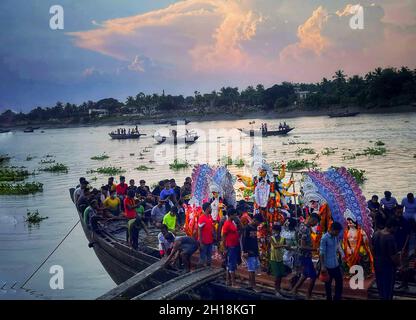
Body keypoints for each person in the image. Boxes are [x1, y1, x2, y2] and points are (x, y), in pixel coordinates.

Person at [290, 213, 319, 300]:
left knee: (305, 274)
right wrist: (315, 249)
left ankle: (294, 289)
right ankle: (308, 295)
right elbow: (302, 246)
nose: (315, 224)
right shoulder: (305, 229)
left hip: (303, 255)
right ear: (311, 219)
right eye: (315, 222)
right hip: (304, 255)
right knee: (313, 276)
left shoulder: (302, 226)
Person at [372, 218, 400, 300]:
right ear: (392, 227)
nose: (396, 230)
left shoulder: (376, 234)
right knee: (388, 289)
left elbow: (371, 248)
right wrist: (399, 264)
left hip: (377, 264)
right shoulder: (390, 238)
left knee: (380, 287)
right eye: (395, 228)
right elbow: (393, 257)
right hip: (387, 267)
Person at [320, 222, 344, 301]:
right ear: (333, 229)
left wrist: (342, 255)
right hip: (328, 265)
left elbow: (338, 246)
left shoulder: (335, 237)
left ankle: (337, 298)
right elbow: (321, 253)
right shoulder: (324, 238)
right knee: (328, 284)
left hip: (335, 264)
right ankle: (329, 298)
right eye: (337, 232)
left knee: (339, 282)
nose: (338, 234)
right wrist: (323, 266)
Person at [242, 214, 263, 291]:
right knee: (251, 269)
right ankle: (253, 286)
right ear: (255, 220)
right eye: (259, 222)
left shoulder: (254, 227)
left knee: (253, 268)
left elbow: (254, 240)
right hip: (249, 251)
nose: (259, 224)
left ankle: (251, 284)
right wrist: (245, 252)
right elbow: (244, 241)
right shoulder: (246, 228)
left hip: (254, 250)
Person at [221, 208, 241, 288]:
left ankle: (228, 280)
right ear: (231, 215)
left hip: (234, 245)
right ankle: (233, 283)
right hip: (230, 246)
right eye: (235, 214)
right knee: (231, 264)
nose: (236, 216)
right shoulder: (227, 224)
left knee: (230, 264)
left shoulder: (231, 222)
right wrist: (224, 248)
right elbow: (223, 236)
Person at [270, 224, 288, 297]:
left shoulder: (283, 239)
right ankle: (276, 290)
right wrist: (284, 246)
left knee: (280, 275)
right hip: (273, 259)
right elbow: (275, 246)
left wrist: (293, 248)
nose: (273, 231)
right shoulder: (271, 238)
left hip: (280, 259)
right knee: (277, 275)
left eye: (274, 230)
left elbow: (287, 247)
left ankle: (279, 289)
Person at [198, 202, 215, 267]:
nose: (211, 208)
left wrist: (214, 235)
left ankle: (208, 268)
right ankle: (199, 271)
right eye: (210, 207)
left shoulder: (209, 217)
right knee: (203, 258)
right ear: (207, 208)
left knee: (209, 257)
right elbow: (199, 230)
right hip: (204, 242)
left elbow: (211, 227)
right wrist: (200, 242)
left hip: (210, 241)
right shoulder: (202, 218)